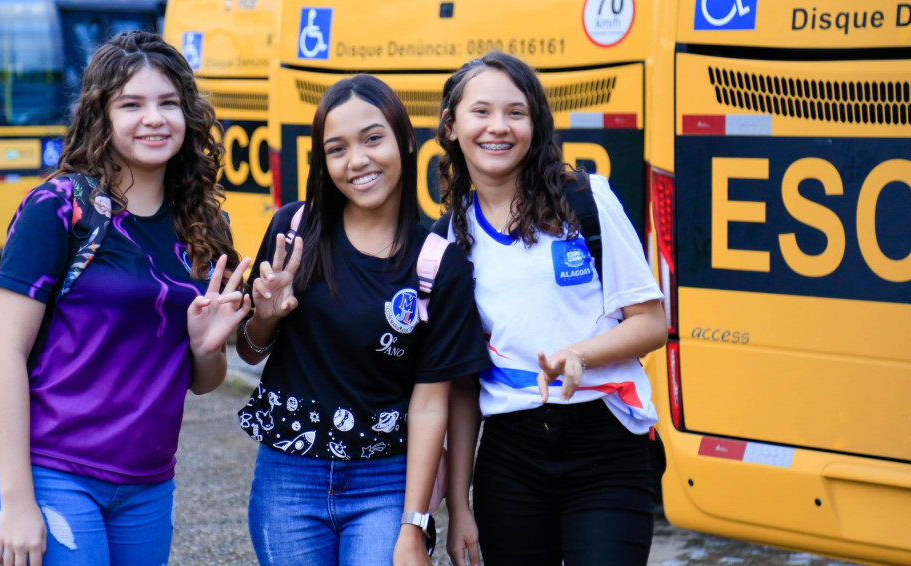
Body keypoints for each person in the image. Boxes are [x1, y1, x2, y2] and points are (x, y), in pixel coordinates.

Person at [0, 31, 251, 566]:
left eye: (168, 103)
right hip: (55, 468)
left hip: (149, 481)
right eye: (132, 104)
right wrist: (16, 501)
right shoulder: (58, 208)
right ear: (101, 115)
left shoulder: (204, 225)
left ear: (189, 115)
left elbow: (204, 381)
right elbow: (4, 350)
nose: (154, 118)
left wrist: (206, 347)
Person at [235, 74, 488, 566]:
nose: (357, 161)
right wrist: (263, 318)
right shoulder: (292, 232)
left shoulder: (440, 264)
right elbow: (249, 350)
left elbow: (433, 401)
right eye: (337, 149)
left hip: (387, 482)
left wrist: (415, 525)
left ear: (406, 140)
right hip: (288, 477)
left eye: (373, 138)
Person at [436, 52, 668, 566]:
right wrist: (459, 504)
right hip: (509, 457)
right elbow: (461, 383)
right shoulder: (449, 240)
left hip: (607, 444)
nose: (499, 127)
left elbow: (652, 323)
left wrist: (580, 354)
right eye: (481, 112)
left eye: (516, 112)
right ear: (452, 126)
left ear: (535, 124)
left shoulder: (585, 201)